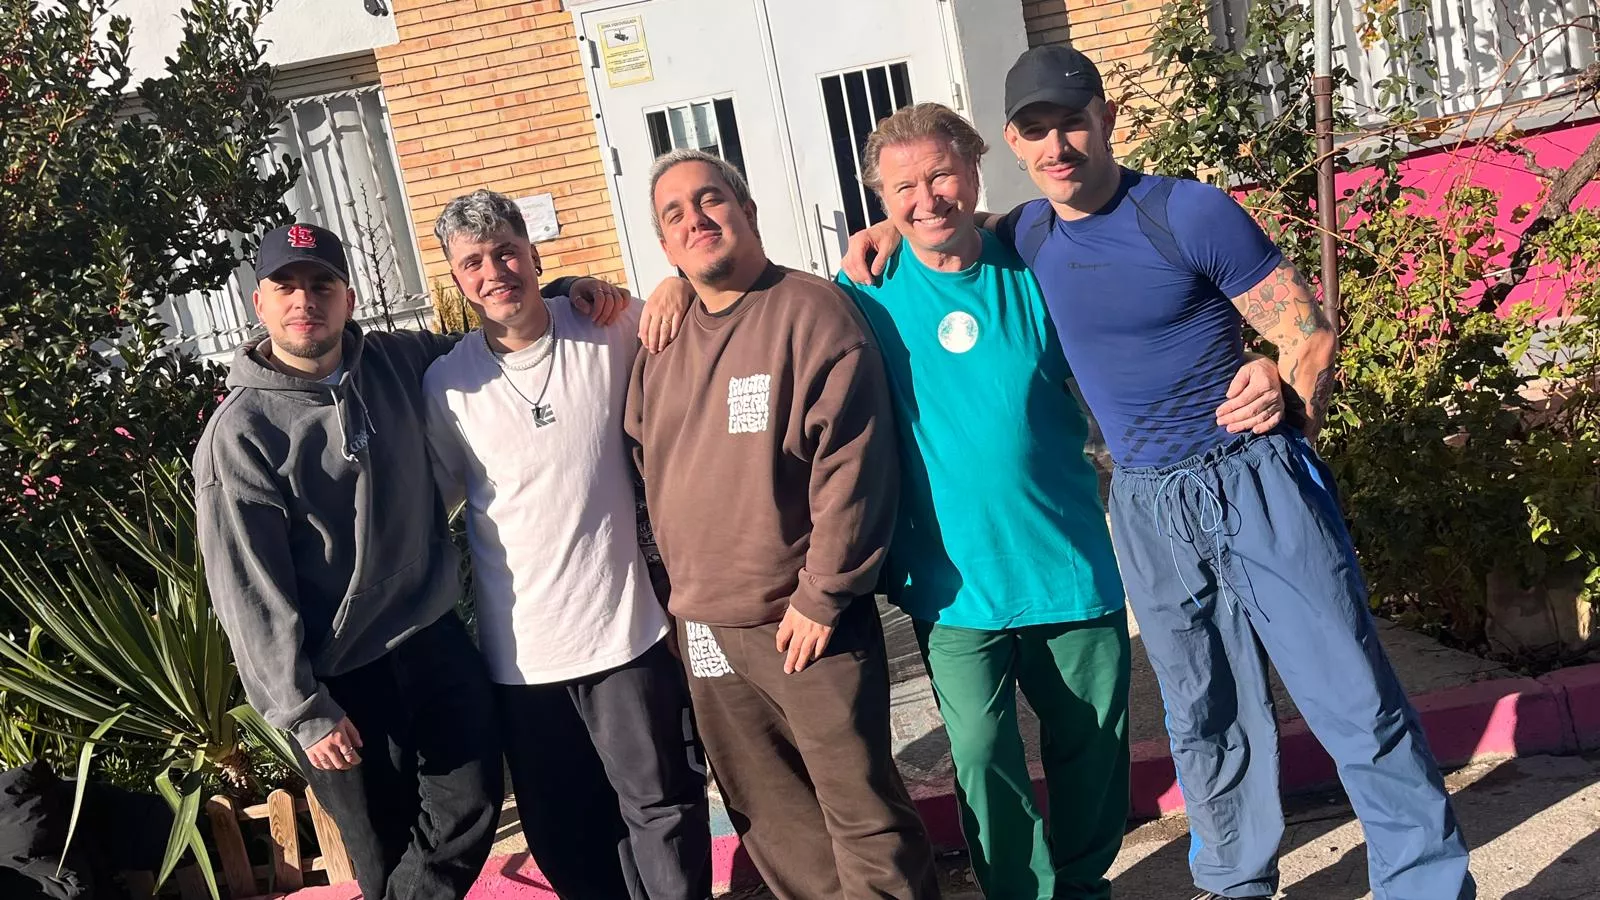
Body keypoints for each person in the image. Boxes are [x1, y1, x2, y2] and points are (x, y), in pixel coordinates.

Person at [844, 46, 1474, 900]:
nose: (1057, 144)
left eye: (1071, 121)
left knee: (1349, 693)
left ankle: (1426, 883)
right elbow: (950, 228)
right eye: (1037, 130)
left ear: (1106, 119)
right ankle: (1235, 880)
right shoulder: (1028, 234)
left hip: (1251, 479)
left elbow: (1310, 331)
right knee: (1203, 714)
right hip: (1145, 501)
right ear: (1015, 144)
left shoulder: (1189, 212)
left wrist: (1283, 379)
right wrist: (894, 223)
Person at [639, 104, 1288, 899]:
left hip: (1069, 564)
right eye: (902, 186)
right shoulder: (862, 293)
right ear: (879, 197)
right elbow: (739, 291)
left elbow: (1145, 323)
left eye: (942, 174)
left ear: (976, 169)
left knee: (1091, 749)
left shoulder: (1041, 264)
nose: (926, 198)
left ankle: (1082, 885)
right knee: (981, 757)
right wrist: (673, 283)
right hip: (951, 586)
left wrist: (1270, 357)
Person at [195, 222, 629, 900]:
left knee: (473, 799)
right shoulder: (242, 434)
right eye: (286, 287)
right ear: (260, 304)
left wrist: (570, 292)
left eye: (321, 285)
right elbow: (247, 587)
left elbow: (500, 331)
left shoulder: (397, 361)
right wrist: (303, 709)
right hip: (339, 675)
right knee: (381, 846)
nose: (304, 300)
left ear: (349, 298)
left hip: (430, 637)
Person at [625, 149, 939, 900]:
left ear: (748, 211)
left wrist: (823, 594)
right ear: (665, 247)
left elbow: (855, 466)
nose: (697, 219)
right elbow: (645, 461)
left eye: (712, 200)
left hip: (800, 621)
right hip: (702, 627)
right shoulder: (660, 343)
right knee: (767, 814)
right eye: (675, 214)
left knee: (861, 812)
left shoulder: (811, 314)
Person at [421, 189, 710, 900]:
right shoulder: (449, 384)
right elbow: (435, 503)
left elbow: (696, 320)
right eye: (474, 263)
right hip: (522, 659)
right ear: (457, 280)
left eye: (506, 251)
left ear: (533, 251)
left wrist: (672, 281)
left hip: (627, 636)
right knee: (563, 829)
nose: (495, 271)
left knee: (662, 808)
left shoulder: (604, 327)